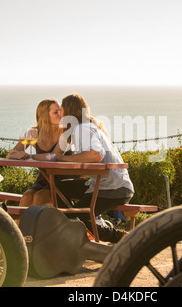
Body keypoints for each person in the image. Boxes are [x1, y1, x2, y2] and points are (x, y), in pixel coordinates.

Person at [50, 93, 134, 243]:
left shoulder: (83, 129)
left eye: (61, 109)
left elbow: (95, 155)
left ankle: (118, 237)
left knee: (72, 218)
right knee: (60, 189)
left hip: (113, 188)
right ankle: (80, 233)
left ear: (68, 111)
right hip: (107, 184)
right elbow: (55, 155)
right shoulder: (81, 127)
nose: (59, 112)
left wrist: (66, 158)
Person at [8, 99, 68, 207]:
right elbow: (12, 152)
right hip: (44, 178)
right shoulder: (35, 133)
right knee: (26, 196)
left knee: (39, 197)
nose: (60, 114)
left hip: (62, 179)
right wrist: (17, 154)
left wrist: (30, 156)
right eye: (56, 112)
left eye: (60, 111)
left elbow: (53, 157)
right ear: (44, 115)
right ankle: (16, 225)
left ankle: (33, 224)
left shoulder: (64, 133)